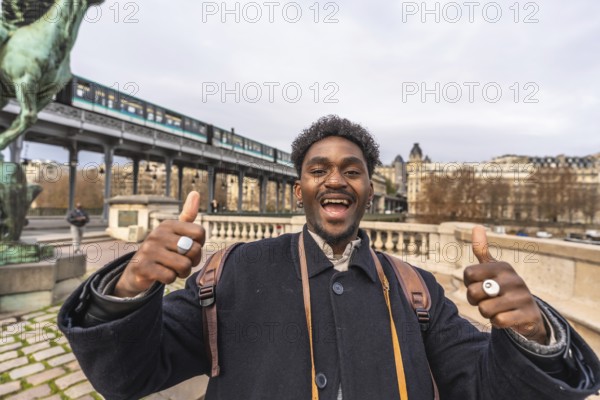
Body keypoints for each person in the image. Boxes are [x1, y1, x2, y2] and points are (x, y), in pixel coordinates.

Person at [59, 115, 600, 400]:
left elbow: (483, 388)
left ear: (368, 190)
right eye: (318, 169)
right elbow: (126, 378)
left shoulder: (416, 289)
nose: (335, 178)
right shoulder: (232, 273)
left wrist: (531, 338)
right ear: (299, 192)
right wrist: (128, 291)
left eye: (352, 169)